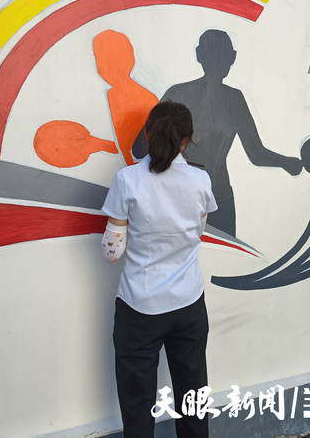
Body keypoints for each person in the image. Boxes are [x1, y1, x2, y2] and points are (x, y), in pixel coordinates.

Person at [102, 101, 218, 438]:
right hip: (189, 305)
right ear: (187, 139)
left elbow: (112, 252)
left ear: (148, 133)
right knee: (193, 398)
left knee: (138, 407)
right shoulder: (200, 180)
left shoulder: (127, 180)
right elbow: (198, 232)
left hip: (139, 308)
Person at [132, 29, 302, 236]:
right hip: (217, 195)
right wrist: (287, 162)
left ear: (198, 55)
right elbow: (257, 155)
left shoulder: (177, 92)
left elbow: (139, 149)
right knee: (223, 253)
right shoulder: (234, 98)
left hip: (176, 190)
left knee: (173, 251)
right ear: (233, 57)